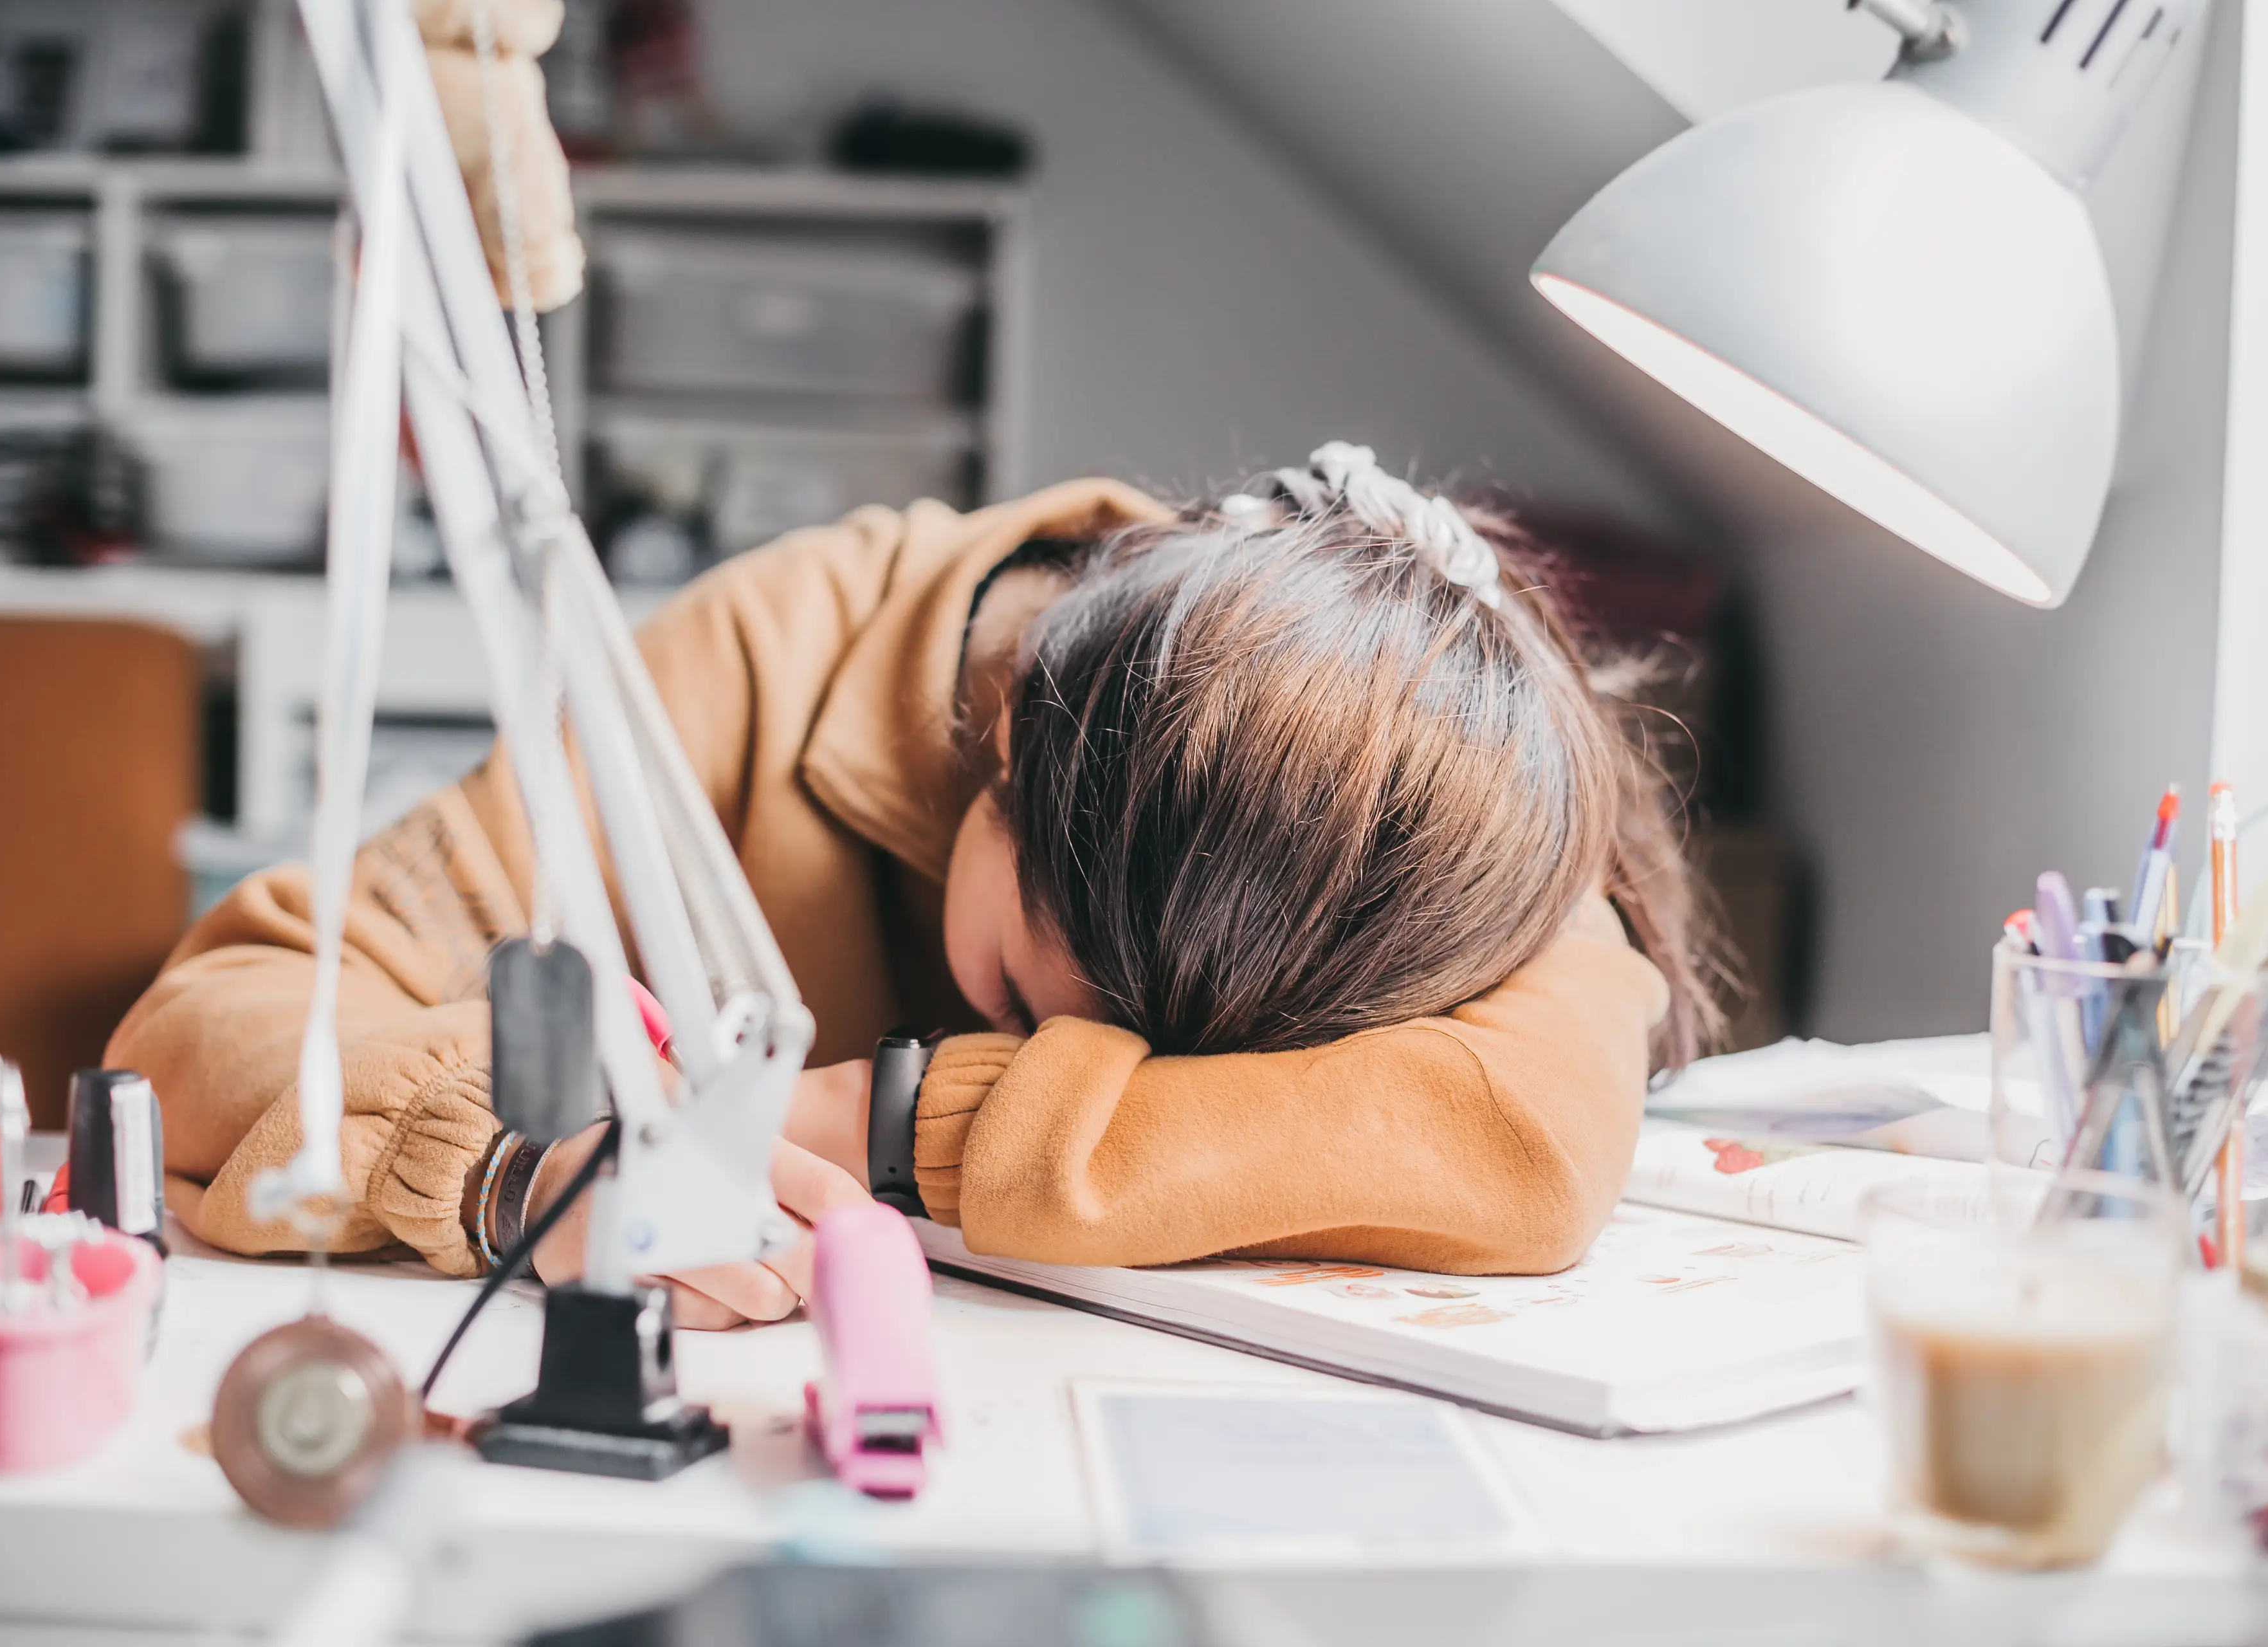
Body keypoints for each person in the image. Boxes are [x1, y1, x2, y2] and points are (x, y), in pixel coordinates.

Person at [108, 444, 1717, 1328]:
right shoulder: (766, 657)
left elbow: (1535, 1140)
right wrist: (514, 1161)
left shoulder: (1401, 800)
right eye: (1031, 994)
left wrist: (870, 1123)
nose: (1101, 1055)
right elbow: (210, 1021)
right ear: (1008, 727)